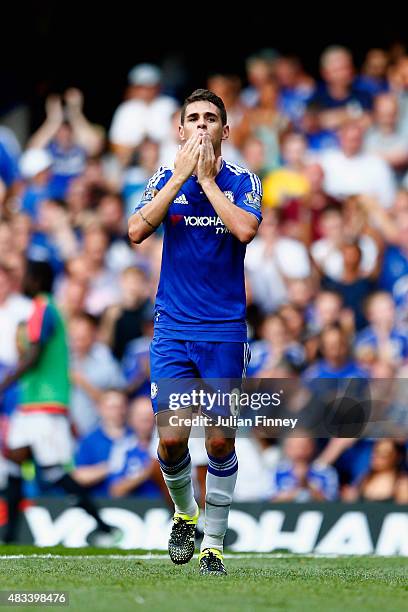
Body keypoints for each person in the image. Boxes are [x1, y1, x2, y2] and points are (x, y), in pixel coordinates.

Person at [128, 89, 262, 575]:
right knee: (170, 439)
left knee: (221, 442)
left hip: (224, 331)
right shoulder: (164, 179)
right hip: (173, 329)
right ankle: (185, 513)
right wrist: (183, 177)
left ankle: (214, 542)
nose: (202, 125)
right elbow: (136, 230)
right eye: (194, 119)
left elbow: (245, 230)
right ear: (180, 130)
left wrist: (206, 182)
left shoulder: (243, 180)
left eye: (211, 119)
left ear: (225, 131)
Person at [0, 261, 119, 544]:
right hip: (31, 404)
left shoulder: (43, 307)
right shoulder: (42, 309)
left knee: (54, 472)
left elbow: (34, 355)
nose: (23, 282)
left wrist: (4, 384)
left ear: (37, 279)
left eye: (26, 275)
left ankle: (105, 528)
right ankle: (9, 538)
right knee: (14, 465)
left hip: (46, 405)